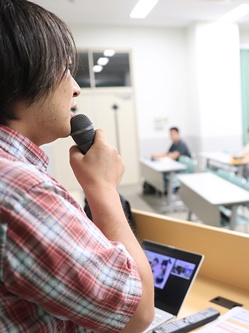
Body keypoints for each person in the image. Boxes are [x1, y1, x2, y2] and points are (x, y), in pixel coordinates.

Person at [0, 1, 154, 332]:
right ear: (23, 75)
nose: (76, 87)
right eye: (64, 69)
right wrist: (103, 187)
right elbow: (138, 312)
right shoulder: (22, 192)